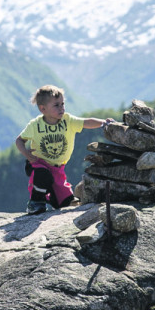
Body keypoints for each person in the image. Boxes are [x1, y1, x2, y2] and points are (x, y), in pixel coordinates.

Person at [15, 85, 113, 215]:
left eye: (62, 103)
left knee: (65, 203)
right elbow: (19, 141)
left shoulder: (67, 120)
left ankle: (51, 198)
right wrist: (28, 155)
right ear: (43, 109)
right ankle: (35, 203)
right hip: (38, 164)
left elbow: (86, 122)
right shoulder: (35, 125)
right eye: (56, 105)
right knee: (43, 176)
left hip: (57, 168)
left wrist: (103, 123)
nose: (62, 108)